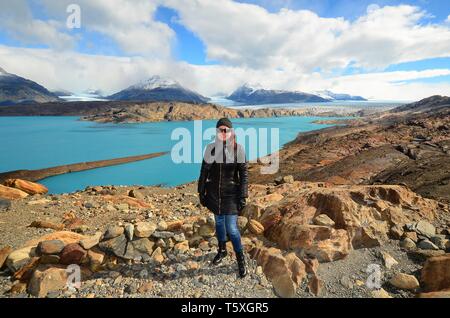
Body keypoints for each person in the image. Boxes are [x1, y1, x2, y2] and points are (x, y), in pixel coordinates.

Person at [197, 118, 248, 278]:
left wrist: (242, 196)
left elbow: (244, 175)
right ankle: (222, 250)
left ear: (231, 131)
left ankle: (241, 259)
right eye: (220, 130)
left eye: (226, 130)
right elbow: (204, 172)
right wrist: (201, 192)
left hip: (231, 195)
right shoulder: (210, 149)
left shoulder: (238, 149)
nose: (223, 133)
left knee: (232, 228)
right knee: (219, 223)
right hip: (214, 194)